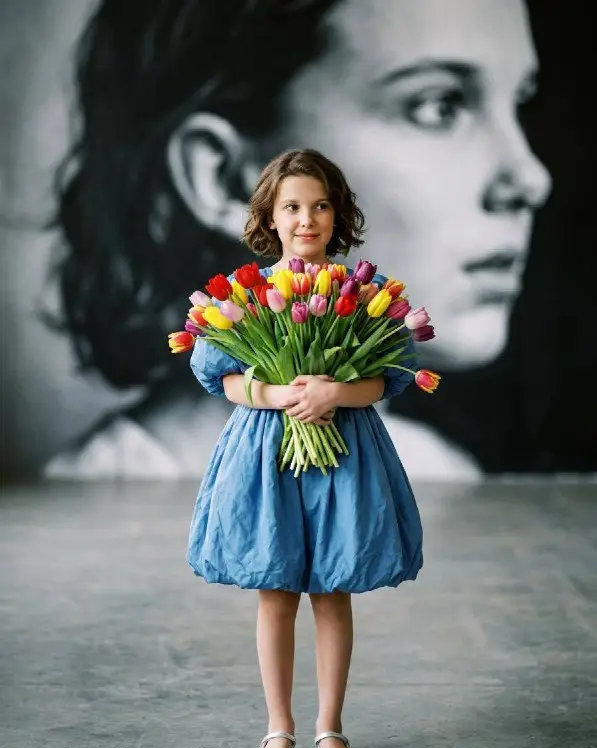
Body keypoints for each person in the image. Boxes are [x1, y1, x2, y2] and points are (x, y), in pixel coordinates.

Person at [44, 0, 552, 481]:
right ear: (226, 178)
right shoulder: (80, 529)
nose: (530, 178)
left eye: (520, 103)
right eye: (438, 105)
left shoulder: (441, 477)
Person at [187, 149, 423, 748]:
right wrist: (274, 394)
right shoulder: (248, 294)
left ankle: (330, 728)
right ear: (270, 214)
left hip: (343, 452)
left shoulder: (361, 293)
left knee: (332, 590)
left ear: (337, 214)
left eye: (320, 206)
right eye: (291, 206)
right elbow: (223, 378)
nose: (306, 219)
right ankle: (278, 728)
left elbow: (384, 381)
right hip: (267, 453)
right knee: (275, 591)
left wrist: (331, 393)